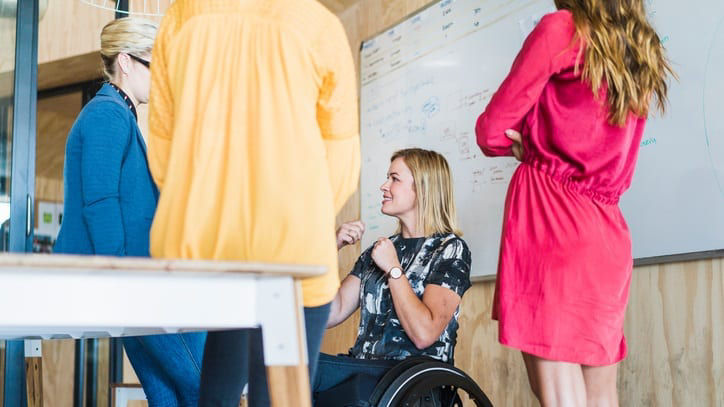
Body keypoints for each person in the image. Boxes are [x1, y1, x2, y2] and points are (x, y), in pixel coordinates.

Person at [147, 0, 360, 405]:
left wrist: (206, 207)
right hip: (294, 247)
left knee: (219, 388)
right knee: (280, 396)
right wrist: (305, 214)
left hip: (205, 245)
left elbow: (163, 149)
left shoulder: (182, 15)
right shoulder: (320, 26)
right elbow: (341, 161)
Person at [475, 1, 674, 405]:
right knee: (600, 396)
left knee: (561, 397)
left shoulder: (561, 29)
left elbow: (491, 130)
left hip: (551, 222)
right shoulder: (640, 46)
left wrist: (531, 142)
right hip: (607, 234)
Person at [54, 18, 205, 407]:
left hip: (133, 283)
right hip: (134, 284)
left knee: (167, 395)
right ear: (125, 61)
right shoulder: (107, 114)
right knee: (205, 384)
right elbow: (100, 204)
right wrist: (123, 279)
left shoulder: (118, 115)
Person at [313, 148, 472, 403]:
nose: (383, 186)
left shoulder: (450, 249)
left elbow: (424, 334)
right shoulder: (378, 251)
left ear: (422, 187)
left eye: (394, 179)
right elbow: (333, 311)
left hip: (410, 378)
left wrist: (394, 270)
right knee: (296, 366)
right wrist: (330, 250)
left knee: (308, 368)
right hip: (363, 369)